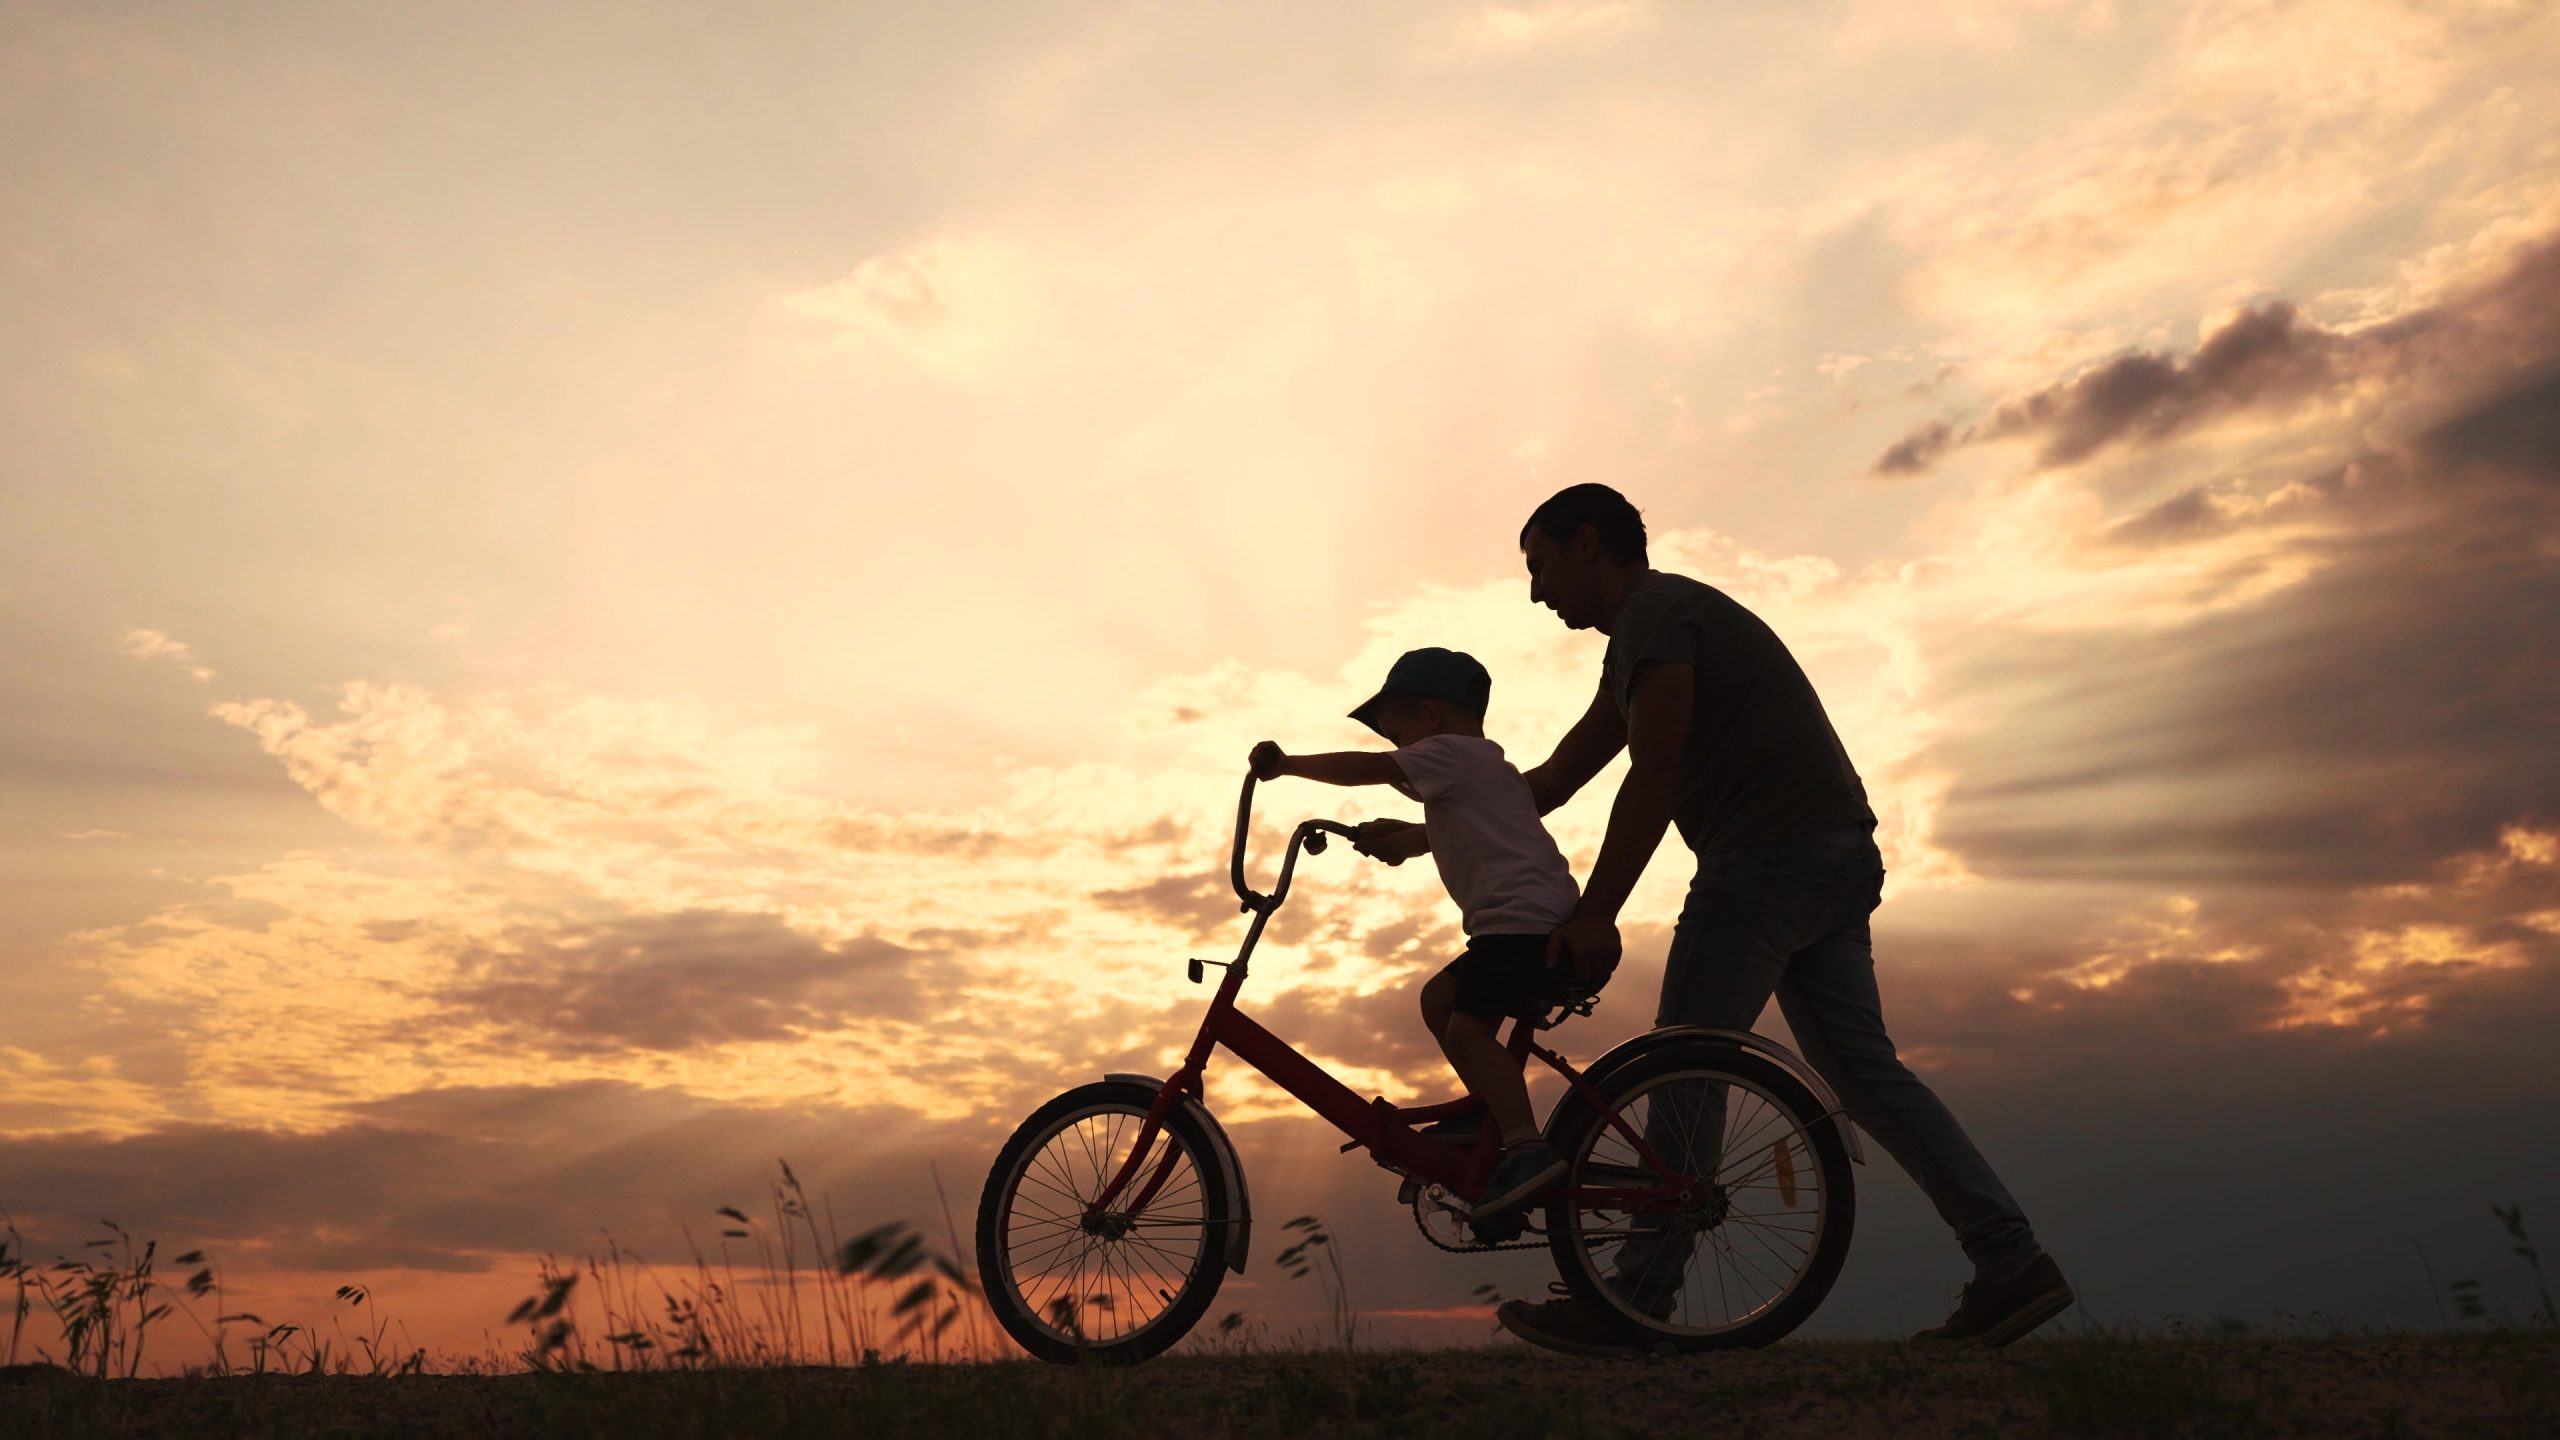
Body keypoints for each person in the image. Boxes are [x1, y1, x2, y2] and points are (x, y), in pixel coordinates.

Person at [1356, 484, 2072, 1352]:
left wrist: (1595, 914)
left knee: (1682, 1066)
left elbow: (1652, 774)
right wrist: (1423, 828)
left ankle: (1636, 1304)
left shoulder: (1656, 623)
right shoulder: (1647, 637)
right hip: (1833, 855)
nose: (1538, 593)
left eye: (1541, 567)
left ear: (1589, 544)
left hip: (1764, 863)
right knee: (1867, 1076)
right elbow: (1544, 787)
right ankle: (2011, 1259)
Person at [1249, 646, 1580, 1222]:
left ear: (1432, 718)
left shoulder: (1448, 754)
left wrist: (1287, 764)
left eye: (1396, 729)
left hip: (1517, 926)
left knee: (1469, 1031)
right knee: (1439, 1000)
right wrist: (1403, 840)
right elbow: (1459, 828)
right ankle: (1486, 1114)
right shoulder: (1483, 770)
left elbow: (1367, 770)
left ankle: (1527, 1147)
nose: (1395, 747)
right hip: (1529, 922)